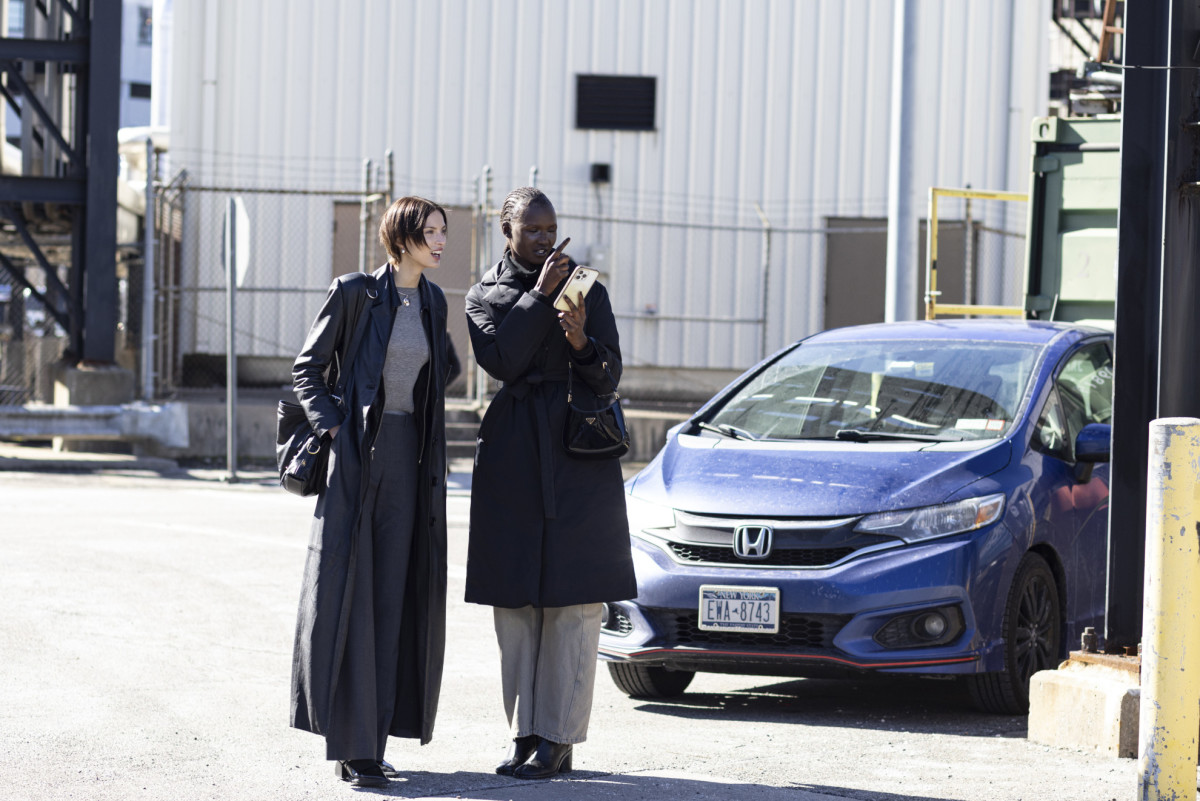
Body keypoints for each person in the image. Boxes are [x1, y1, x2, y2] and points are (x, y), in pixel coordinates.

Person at [464, 187, 637, 780]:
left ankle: (558, 737)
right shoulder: (483, 295)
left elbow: (610, 374)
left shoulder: (586, 286)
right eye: (532, 230)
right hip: (513, 455)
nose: (544, 239)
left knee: (572, 602)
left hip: (576, 454)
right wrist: (539, 301)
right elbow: (503, 362)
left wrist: (580, 341)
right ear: (506, 229)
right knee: (516, 602)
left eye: (551, 229)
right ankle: (524, 733)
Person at [289, 196, 460, 787]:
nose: (441, 242)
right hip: (359, 456)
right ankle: (353, 747)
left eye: (443, 232)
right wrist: (337, 428)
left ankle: (375, 739)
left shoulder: (434, 301)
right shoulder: (356, 291)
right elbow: (306, 368)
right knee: (352, 598)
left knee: (393, 597)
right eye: (430, 232)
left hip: (411, 458)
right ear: (401, 237)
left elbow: (447, 369)